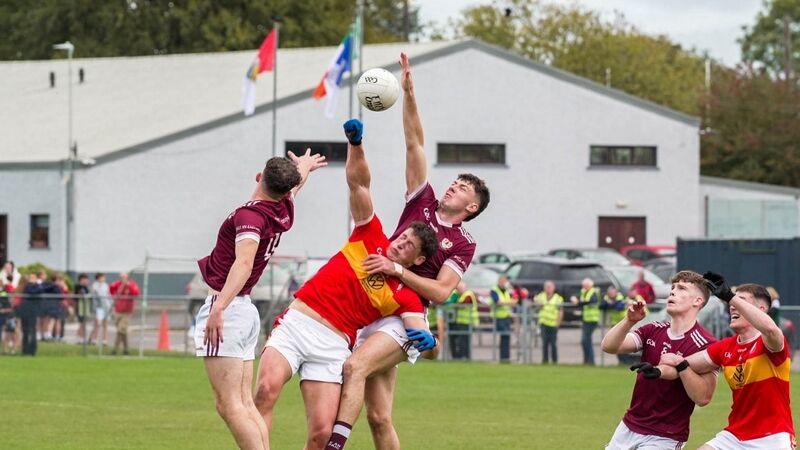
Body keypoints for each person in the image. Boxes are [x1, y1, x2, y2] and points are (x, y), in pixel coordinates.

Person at [330, 52, 491, 450]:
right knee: (379, 417)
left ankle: (333, 444)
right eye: (454, 182)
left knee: (355, 367)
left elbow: (439, 293)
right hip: (372, 303)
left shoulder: (464, 244)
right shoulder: (423, 199)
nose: (453, 186)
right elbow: (414, 140)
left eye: (463, 188)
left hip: (406, 318)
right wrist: (409, 93)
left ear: (471, 207)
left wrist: (397, 270)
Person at [252, 119, 438, 450]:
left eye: (409, 246)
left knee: (322, 434)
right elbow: (359, 185)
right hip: (299, 322)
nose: (400, 243)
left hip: (333, 344)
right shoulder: (371, 235)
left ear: (418, 260)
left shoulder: (406, 295)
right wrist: (356, 144)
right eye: (403, 236)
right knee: (265, 391)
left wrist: (428, 341)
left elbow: (421, 336)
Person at [193, 150, 324, 450]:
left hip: (229, 308)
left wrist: (220, 308)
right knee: (245, 405)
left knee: (230, 406)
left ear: (259, 176)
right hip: (244, 310)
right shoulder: (281, 208)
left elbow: (244, 263)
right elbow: (295, 186)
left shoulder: (250, 215)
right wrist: (303, 167)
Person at [659, 274, 795, 450]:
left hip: (773, 437)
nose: (732, 306)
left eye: (741, 301)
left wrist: (730, 296)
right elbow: (682, 365)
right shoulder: (725, 347)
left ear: (761, 310)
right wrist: (658, 370)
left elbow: (770, 329)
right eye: (732, 302)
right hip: (735, 435)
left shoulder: (770, 342)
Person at [601, 271, 717, 449]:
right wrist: (628, 321)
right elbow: (609, 346)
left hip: (665, 435)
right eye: (672, 288)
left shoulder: (706, 344)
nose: (672, 292)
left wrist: (681, 366)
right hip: (629, 425)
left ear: (697, 301)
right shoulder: (653, 329)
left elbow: (703, 397)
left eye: (681, 288)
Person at [570, 278, 601, 365]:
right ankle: (587, 360)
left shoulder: (594, 292)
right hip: (586, 319)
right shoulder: (583, 291)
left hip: (592, 319)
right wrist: (573, 298)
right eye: (584, 285)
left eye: (586, 285)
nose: (584, 287)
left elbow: (591, 301)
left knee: (586, 340)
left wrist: (578, 302)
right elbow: (576, 296)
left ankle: (591, 361)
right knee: (585, 341)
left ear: (591, 285)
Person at [109, 273, 140, 355]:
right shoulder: (117, 284)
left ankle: (115, 349)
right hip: (118, 310)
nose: (122, 278)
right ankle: (126, 350)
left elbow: (136, 293)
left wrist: (128, 285)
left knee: (120, 329)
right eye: (121, 277)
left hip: (127, 312)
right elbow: (111, 290)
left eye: (124, 277)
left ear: (127, 277)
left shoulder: (132, 285)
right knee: (123, 331)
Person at [534, 280, 563, 364]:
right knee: (544, 343)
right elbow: (536, 302)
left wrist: (558, 323)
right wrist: (536, 301)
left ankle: (554, 361)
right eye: (546, 287)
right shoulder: (541, 296)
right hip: (543, 323)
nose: (548, 289)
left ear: (553, 288)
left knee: (553, 344)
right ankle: (545, 360)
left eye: (550, 287)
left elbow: (560, 312)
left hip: (553, 324)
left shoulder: (558, 298)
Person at [600, 286, 631, 365]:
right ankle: (621, 361)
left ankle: (626, 361)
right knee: (615, 344)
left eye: (612, 292)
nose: (610, 294)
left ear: (616, 292)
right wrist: (609, 304)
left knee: (624, 343)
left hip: (624, 323)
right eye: (609, 292)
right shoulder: (606, 298)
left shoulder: (622, 298)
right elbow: (601, 306)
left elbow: (619, 307)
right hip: (614, 324)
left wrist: (610, 304)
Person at [447, 282, 478, 360]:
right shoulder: (461, 295)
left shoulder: (468, 294)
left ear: (464, 288)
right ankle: (463, 357)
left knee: (464, 341)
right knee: (462, 341)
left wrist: (456, 303)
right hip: (462, 321)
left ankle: (465, 357)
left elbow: (463, 304)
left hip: (467, 321)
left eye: (459, 289)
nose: (458, 291)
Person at [491, 274, 517, 362]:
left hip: (506, 316)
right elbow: (498, 302)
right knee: (504, 335)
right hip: (498, 317)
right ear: (499, 281)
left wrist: (507, 302)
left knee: (506, 337)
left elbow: (515, 299)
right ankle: (503, 357)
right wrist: (509, 302)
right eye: (502, 281)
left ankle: (506, 357)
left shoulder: (507, 290)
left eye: (505, 281)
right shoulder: (494, 290)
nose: (504, 283)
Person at [18, 273, 43, 356]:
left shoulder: (38, 286)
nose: (32, 279)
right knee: (26, 331)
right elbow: (32, 292)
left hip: (33, 312)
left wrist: (38, 285)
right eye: (31, 278)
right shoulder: (27, 287)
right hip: (25, 311)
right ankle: (25, 350)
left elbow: (40, 290)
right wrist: (35, 285)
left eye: (34, 278)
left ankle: (32, 350)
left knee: (33, 331)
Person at [90, 273, 112, 347]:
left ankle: (104, 340)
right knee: (98, 324)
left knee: (105, 324)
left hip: (106, 306)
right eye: (102, 277)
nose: (103, 279)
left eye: (103, 277)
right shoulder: (95, 286)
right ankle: (94, 339)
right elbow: (96, 297)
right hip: (99, 308)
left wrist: (110, 304)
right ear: (98, 278)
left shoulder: (106, 285)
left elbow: (108, 295)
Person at [74, 274, 91, 344]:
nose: (87, 281)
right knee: (82, 323)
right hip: (80, 306)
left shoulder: (86, 287)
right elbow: (81, 294)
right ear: (81, 280)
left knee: (84, 323)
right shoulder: (78, 287)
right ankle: (79, 338)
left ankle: (82, 337)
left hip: (85, 306)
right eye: (85, 279)